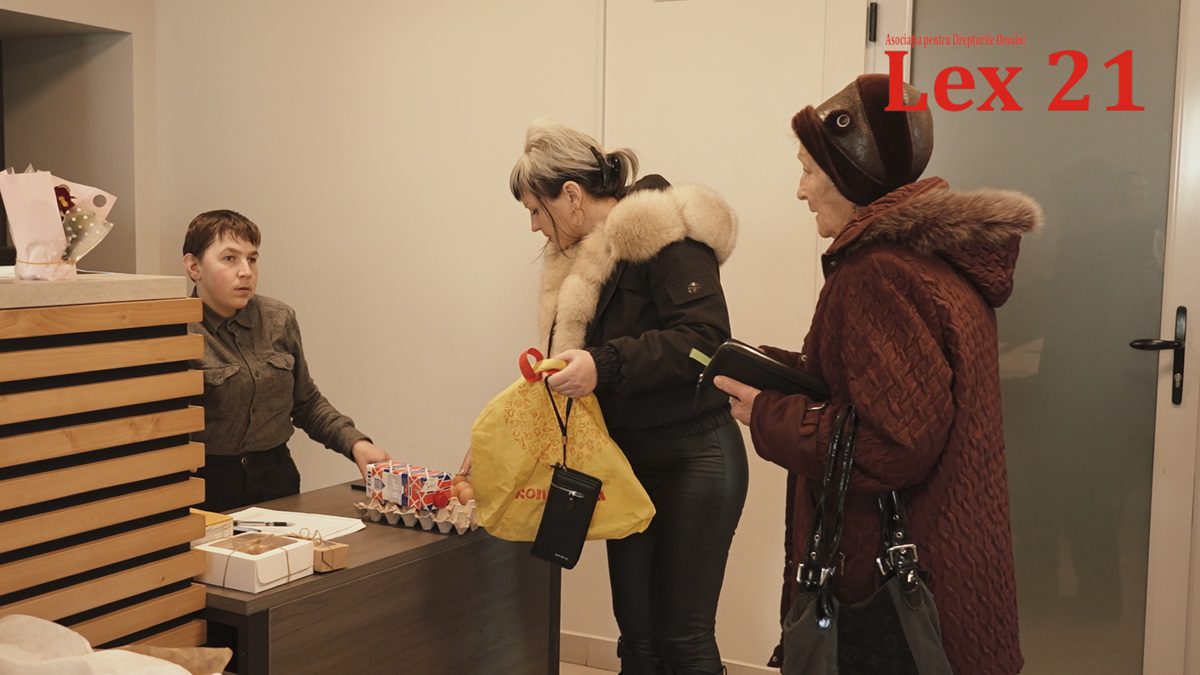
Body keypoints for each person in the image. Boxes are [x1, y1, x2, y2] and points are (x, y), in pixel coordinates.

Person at [714, 75, 1041, 675]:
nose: (800, 190)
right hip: (954, 560)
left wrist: (768, 414)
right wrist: (788, 375)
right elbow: (891, 391)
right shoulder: (935, 260)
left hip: (893, 589)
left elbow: (892, 444)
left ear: (852, 175)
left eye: (809, 170)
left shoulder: (879, 272)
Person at [510, 121, 747, 675]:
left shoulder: (664, 234)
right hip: (628, 465)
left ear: (571, 196)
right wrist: (499, 438)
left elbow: (706, 342)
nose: (533, 226)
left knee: (683, 639)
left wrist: (605, 363)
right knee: (637, 639)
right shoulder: (582, 264)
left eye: (536, 210)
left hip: (695, 458)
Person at [182, 209, 391, 512]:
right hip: (206, 484)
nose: (246, 271)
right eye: (230, 258)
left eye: (252, 259)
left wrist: (356, 444)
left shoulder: (278, 319)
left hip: (275, 479)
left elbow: (305, 402)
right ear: (194, 266)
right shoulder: (177, 332)